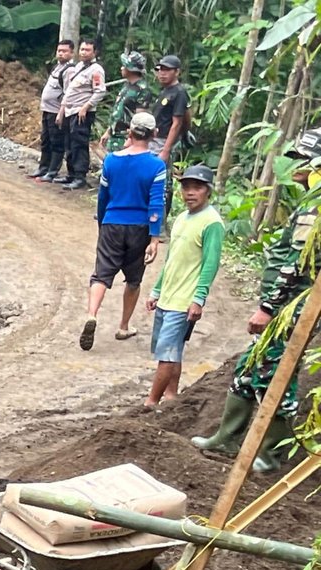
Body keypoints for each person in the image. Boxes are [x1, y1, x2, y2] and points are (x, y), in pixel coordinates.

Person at [192, 128, 321, 470]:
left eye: (304, 162)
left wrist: (268, 307)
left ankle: (271, 454)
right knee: (249, 368)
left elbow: (298, 263)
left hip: (293, 308)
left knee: (277, 373)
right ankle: (227, 440)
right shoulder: (308, 202)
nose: (296, 167)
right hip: (286, 306)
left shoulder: (317, 207)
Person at [81, 111, 166, 350]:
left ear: (129, 132)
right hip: (139, 227)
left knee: (101, 275)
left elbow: (103, 196)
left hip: (112, 222)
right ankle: (123, 326)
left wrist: (102, 223)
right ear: (154, 134)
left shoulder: (111, 161)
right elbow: (156, 203)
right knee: (133, 279)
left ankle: (92, 314)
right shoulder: (156, 166)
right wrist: (154, 237)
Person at [146, 165, 225, 410]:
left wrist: (198, 298)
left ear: (208, 191)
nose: (190, 192)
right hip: (169, 296)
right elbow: (172, 259)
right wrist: (157, 290)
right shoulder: (181, 218)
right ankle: (171, 397)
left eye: (197, 187)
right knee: (173, 349)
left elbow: (210, 264)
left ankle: (150, 403)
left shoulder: (212, 222)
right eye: (186, 187)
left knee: (166, 356)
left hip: (183, 300)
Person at [55, 39, 106, 191]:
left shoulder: (96, 70)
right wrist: (62, 110)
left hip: (82, 113)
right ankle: (71, 174)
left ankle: (80, 176)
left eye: (87, 50)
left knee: (79, 144)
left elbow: (100, 91)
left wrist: (86, 106)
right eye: (82, 49)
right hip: (70, 110)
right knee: (69, 143)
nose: (84, 52)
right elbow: (70, 91)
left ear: (94, 52)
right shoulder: (78, 67)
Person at [31, 38, 76, 183]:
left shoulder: (69, 70)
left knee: (56, 142)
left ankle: (52, 171)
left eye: (65, 51)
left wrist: (61, 113)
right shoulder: (57, 67)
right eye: (59, 51)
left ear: (71, 53)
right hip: (47, 110)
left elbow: (68, 93)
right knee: (46, 140)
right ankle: (43, 167)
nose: (61, 54)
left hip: (56, 111)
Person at [104, 51, 154, 154]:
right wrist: (108, 131)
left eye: (124, 66)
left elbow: (139, 118)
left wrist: (131, 140)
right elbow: (118, 111)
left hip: (126, 138)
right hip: (114, 136)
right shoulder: (126, 85)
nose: (121, 68)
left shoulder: (142, 90)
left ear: (130, 69)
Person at [151, 55, 191, 173]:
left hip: (164, 141)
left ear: (177, 72)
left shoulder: (179, 92)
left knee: (162, 176)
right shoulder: (165, 91)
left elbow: (177, 123)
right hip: (155, 139)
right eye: (160, 70)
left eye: (167, 70)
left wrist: (166, 150)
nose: (162, 73)